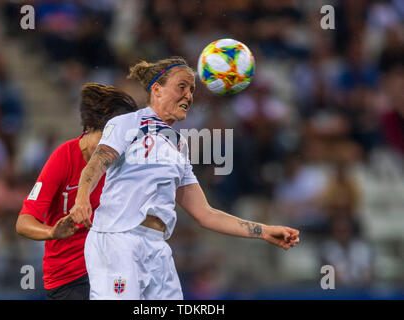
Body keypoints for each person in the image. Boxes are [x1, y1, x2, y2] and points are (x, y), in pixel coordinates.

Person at [69, 57, 300, 300]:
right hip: (118, 240)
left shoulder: (178, 145)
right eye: (182, 87)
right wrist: (82, 197)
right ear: (157, 89)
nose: (189, 96)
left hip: (157, 248)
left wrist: (263, 231)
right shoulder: (127, 123)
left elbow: (205, 213)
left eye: (191, 90)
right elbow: (95, 165)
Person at [16, 83, 138, 300]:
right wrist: (52, 232)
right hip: (70, 277)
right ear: (89, 127)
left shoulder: (121, 162)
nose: (108, 150)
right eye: (105, 140)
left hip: (111, 270)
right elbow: (23, 222)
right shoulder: (62, 158)